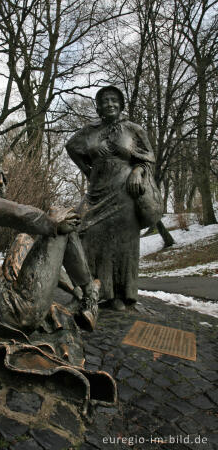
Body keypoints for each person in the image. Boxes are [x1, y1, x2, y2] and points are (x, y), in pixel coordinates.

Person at [0, 157, 99, 343]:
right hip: (5, 314)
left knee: (23, 239)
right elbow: (17, 214)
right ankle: (90, 295)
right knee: (63, 217)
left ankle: (78, 292)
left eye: (3, 178)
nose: (0, 181)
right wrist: (52, 223)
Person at [66, 85, 162, 311]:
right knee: (88, 235)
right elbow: (71, 147)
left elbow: (149, 158)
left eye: (113, 100)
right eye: (105, 100)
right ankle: (93, 291)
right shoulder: (90, 131)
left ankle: (122, 295)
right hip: (97, 192)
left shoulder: (133, 129)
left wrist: (138, 172)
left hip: (125, 192)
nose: (109, 104)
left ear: (120, 104)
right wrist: (87, 170)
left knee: (123, 243)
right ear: (98, 106)